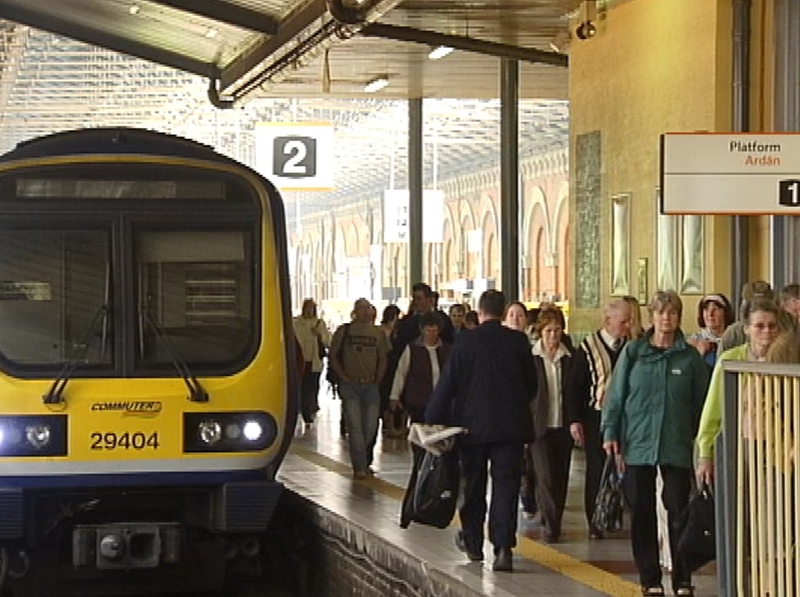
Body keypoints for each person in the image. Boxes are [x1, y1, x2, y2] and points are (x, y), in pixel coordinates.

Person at [602, 290, 708, 597]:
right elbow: (617, 397)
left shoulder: (689, 358)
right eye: (661, 312)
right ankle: (650, 578)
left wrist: (705, 447)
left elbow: (703, 405)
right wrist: (610, 433)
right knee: (642, 511)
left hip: (676, 445)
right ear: (652, 317)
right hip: (638, 443)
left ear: (679, 317)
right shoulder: (634, 353)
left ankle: (683, 577)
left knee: (678, 509)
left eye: (672, 312)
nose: (667, 318)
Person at [425, 290, 537, 572]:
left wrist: (431, 419)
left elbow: (448, 383)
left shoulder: (466, 341)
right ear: (502, 312)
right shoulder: (518, 341)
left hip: (472, 430)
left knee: (473, 486)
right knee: (506, 487)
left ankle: (473, 541)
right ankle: (503, 548)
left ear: (479, 311)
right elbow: (531, 385)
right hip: (510, 430)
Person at [696, 299, 782, 486]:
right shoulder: (731, 359)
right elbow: (713, 409)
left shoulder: (786, 360)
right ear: (746, 329)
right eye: (759, 326)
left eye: (771, 326)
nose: (766, 332)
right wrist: (705, 453)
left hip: (777, 450)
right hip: (738, 445)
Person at [565, 298, 632, 539]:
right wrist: (575, 420)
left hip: (626, 419)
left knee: (625, 466)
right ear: (608, 321)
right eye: (623, 321)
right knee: (597, 468)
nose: (627, 326)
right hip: (595, 417)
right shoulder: (587, 348)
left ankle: (619, 512)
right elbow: (574, 387)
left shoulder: (631, 347)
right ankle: (595, 519)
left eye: (629, 321)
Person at [329, 298, 390, 479]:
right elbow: (333, 355)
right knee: (355, 427)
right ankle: (360, 467)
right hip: (351, 385)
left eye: (367, 308)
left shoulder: (378, 333)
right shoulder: (344, 331)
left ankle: (365, 460)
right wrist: (343, 376)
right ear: (355, 311)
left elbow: (383, 357)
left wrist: (378, 378)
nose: (365, 312)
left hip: (371, 385)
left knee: (370, 426)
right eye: (361, 309)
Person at [529, 307, 573, 543]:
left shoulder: (569, 357)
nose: (553, 336)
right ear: (540, 332)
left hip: (563, 425)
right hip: (539, 426)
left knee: (560, 476)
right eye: (548, 331)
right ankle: (551, 524)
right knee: (544, 474)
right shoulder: (532, 358)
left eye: (557, 330)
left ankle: (553, 516)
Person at [503, 301, 538, 521]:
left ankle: (530, 498)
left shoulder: (534, 345)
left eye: (520, 315)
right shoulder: (502, 346)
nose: (516, 319)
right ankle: (525, 499)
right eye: (512, 315)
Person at [389, 311, 451, 429]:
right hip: (419, 402)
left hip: (441, 402)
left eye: (435, 331)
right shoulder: (412, 349)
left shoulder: (447, 350)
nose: (432, 335)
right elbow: (401, 372)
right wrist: (394, 396)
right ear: (422, 330)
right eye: (428, 331)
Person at [292, 298, 330, 427]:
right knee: (301, 386)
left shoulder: (319, 324)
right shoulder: (295, 323)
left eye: (312, 308)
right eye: (308, 308)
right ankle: (303, 409)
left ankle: (309, 408)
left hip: (314, 361)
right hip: (299, 360)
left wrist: (319, 335)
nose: (310, 311)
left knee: (312, 386)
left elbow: (327, 341)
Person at [686, 293, 734, 373]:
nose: (710, 314)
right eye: (706, 310)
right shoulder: (693, 341)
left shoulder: (733, 339)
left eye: (715, 309)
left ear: (725, 313)